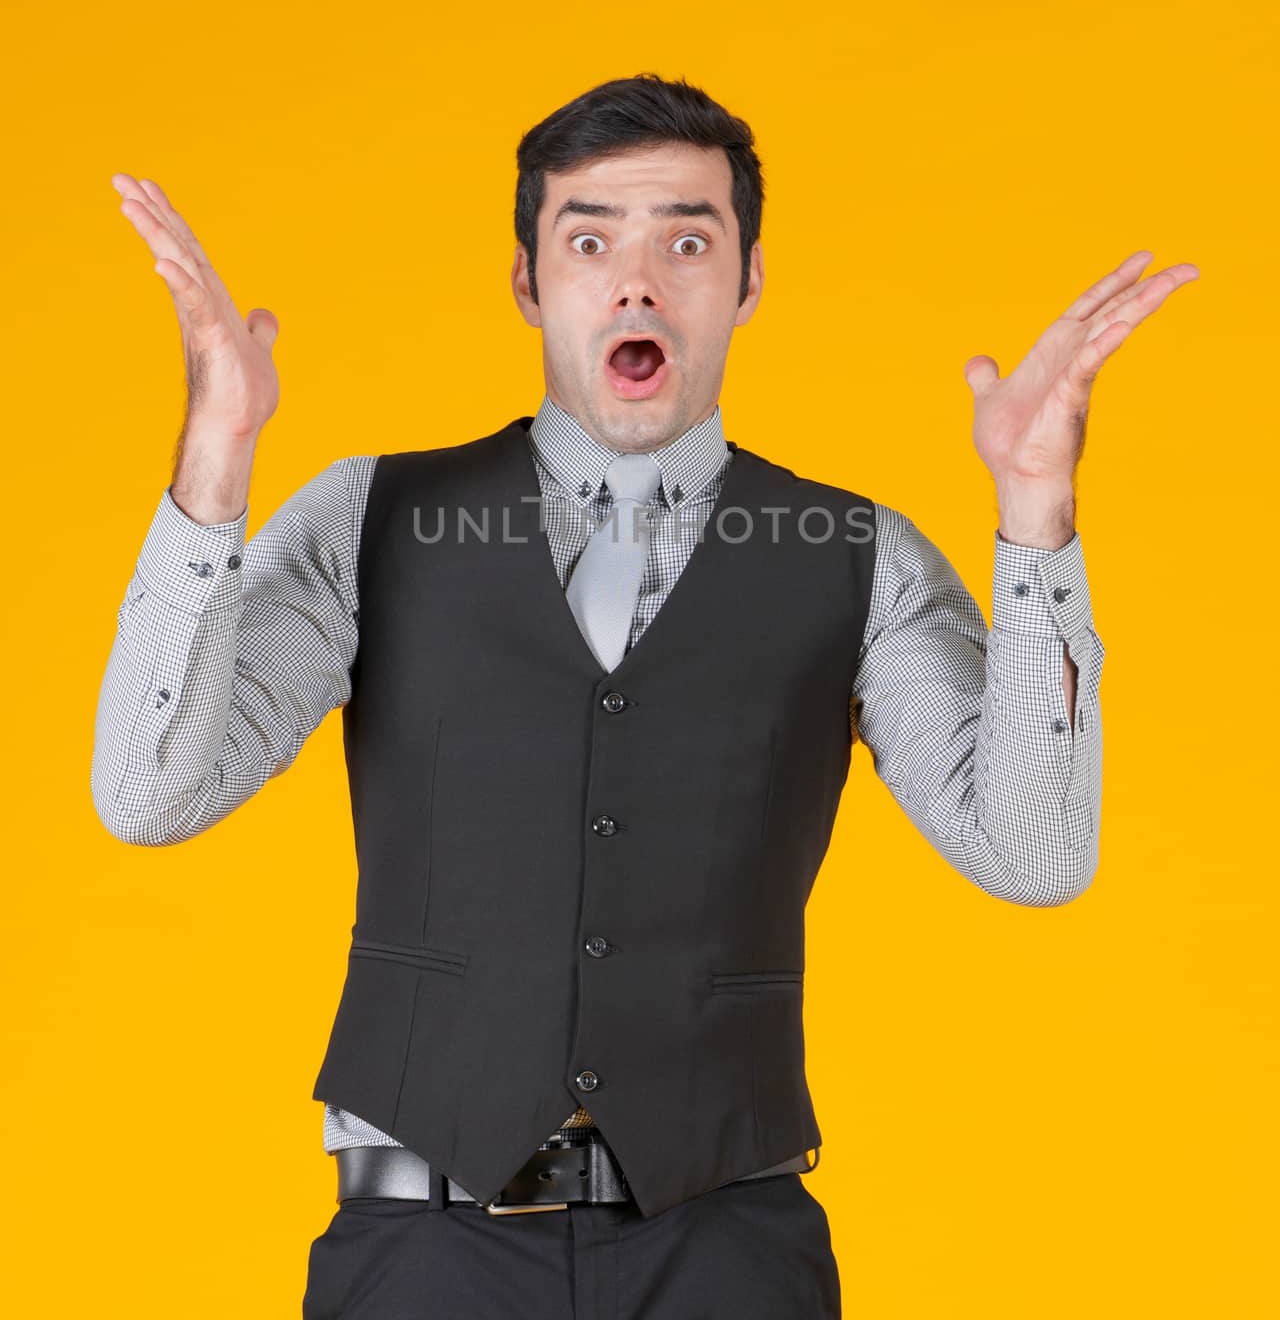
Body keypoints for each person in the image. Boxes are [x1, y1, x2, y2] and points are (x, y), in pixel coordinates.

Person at [92, 73, 1198, 1318]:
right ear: (527, 281)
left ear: (747, 279)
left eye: (686, 239)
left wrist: (1035, 512)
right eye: (588, 239)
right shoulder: (371, 519)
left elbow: (1034, 854)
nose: (638, 282)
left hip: (727, 1251)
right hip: (422, 1256)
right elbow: (148, 795)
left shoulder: (854, 555)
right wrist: (215, 461)